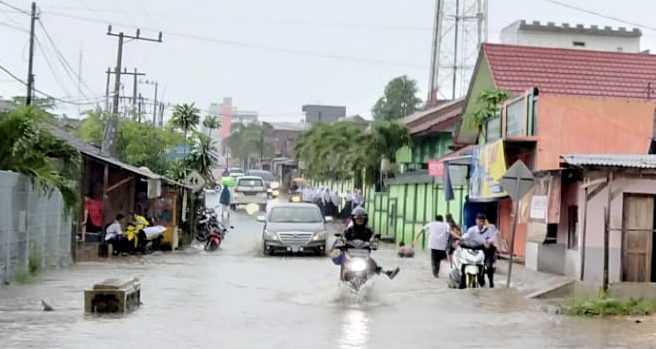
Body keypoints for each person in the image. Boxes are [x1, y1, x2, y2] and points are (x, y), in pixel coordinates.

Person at [338, 207, 400, 279]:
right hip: (351, 256)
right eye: (358, 218)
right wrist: (341, 242)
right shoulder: (348, 230)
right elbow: (342, 237)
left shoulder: (369, 231)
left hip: (364, 256)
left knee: (372, 263)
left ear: (365, 219)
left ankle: (387, 272)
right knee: (344, 264)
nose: (360, 220)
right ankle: (343, 278)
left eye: (362, 218)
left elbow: (375, 236)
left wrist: (375, 240)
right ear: (354, 219)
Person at [461, 213, 497, 288]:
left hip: (486, 250)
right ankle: (463, 283)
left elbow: (493, 237)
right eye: (479, 221)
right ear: (476, 221)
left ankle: (491, 283)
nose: (480, 222)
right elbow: (466, 236)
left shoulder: (489, 229)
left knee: (488, 266)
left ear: (484, 222)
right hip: (475, 249)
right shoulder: (472, 229)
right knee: (465, 263)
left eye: (482, 221)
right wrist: (460, 240)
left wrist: (489, 242)